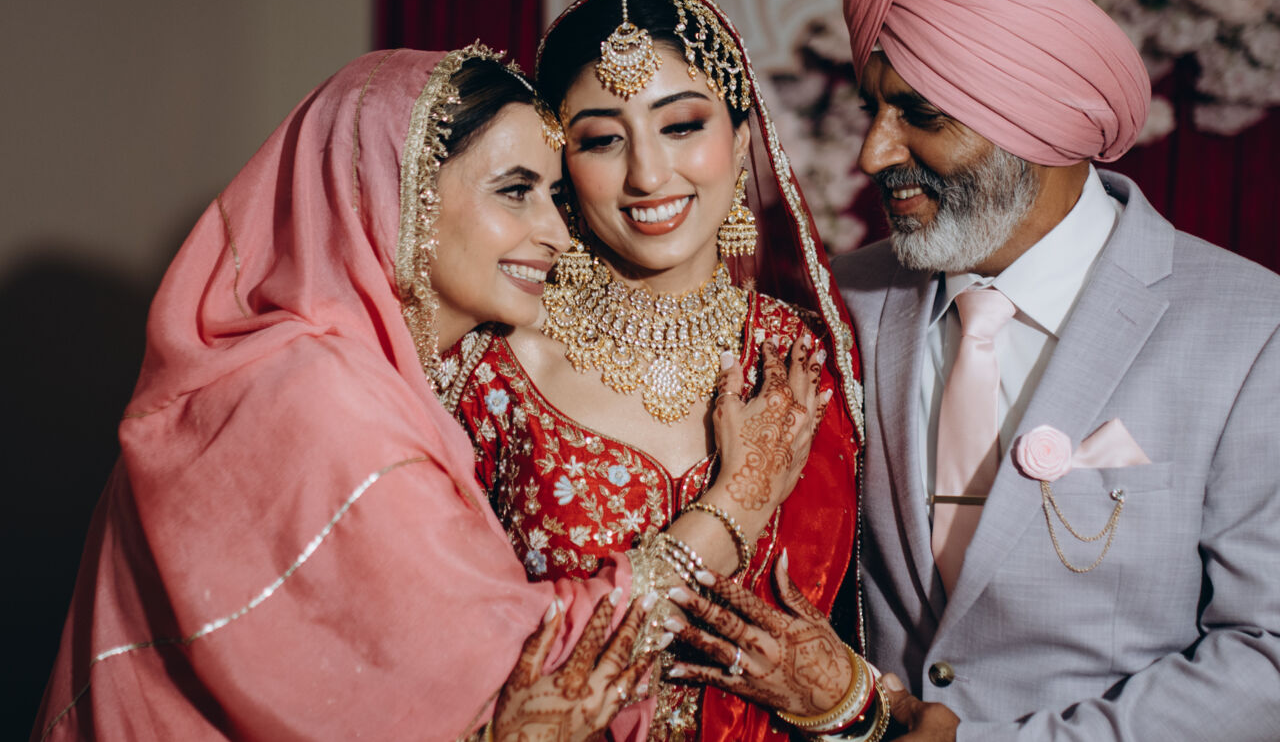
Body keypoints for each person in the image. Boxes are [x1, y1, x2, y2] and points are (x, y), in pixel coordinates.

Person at [30, 45, 819, 742]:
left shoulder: (379, 378)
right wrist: (738, 502)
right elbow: (538, 678)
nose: (556, 230)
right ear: (396, 193)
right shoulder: (311, 396)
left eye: (553, 194)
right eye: (514, 191)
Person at [667, 0, 1280, 741]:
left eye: (919, 115)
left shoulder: (1251, 333)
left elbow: (1265, 658)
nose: (873, 152)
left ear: (1037, 118)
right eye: (873, 109)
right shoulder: (835, 303)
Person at [441, 0, 866, 740]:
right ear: (560, 162)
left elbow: (857, 641)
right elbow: (432, 665)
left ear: (741, 140)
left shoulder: (806, 359)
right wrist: (740, 499)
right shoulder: (491, 370)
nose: (647, 173)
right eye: (602, 139)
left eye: (681, 126)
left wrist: (851, 702)